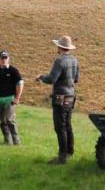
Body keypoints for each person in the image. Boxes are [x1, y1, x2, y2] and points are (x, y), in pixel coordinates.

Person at [36, 35, 80, 164]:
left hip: (60, 97)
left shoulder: (59, 61)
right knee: (68, 125)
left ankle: (62, 157)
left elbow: (51, 79)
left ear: (60, 47)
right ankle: (70, 151)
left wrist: (41, 77)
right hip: (71, 97)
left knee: (60, 127)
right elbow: (76, 79)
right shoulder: (75, 60)